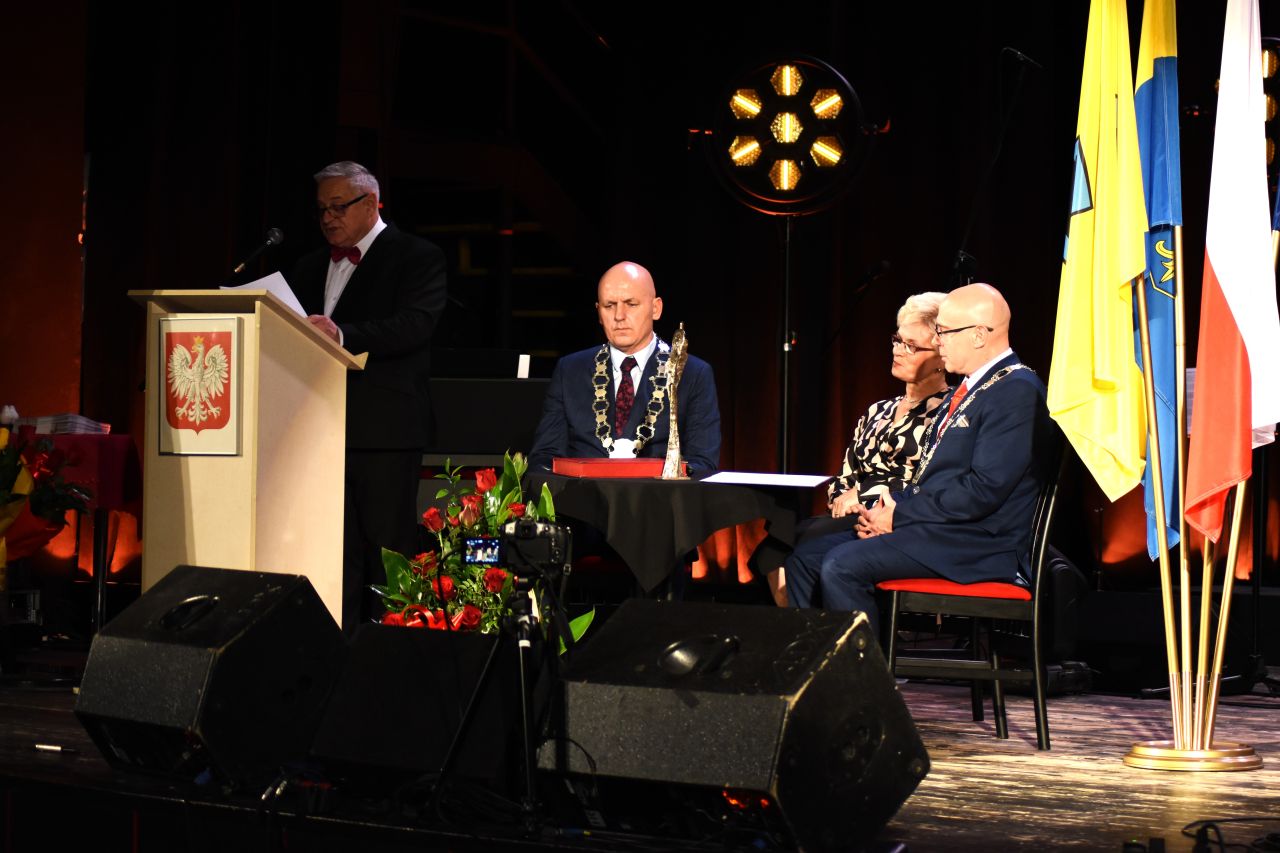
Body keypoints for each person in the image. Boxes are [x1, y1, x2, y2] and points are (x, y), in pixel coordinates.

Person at [784, 283, 1054, 637]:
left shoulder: (1016, 391)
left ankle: (865, 672)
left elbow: (983, 490)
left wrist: (899, 517)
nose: (938, 343)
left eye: (944, 332)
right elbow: (933, 479)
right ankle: (823, 664)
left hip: (979, 543)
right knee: (805, 559)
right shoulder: (975, 388)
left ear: (978, 335)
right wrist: (885, 510)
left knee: (842, 565)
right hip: (938, 528)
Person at [290, 161, 447, 633]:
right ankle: (333, 653)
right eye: (322, 209)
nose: (328, 218)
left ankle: (390, 655)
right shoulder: (308, 266)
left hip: (384, 431)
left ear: (372, 203)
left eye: (338, 206)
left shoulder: (416, 256)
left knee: (387, 555)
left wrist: (342, 335)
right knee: (330, 555)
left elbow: (415, 325)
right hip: (319, 431)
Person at [529, 261, 721, 475]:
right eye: (609, 305)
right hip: (582, 494)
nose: (619, 316)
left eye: (631, 304)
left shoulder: (692, 374)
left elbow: (702, 464)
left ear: (656, 309)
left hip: (657, 494)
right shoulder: (569, 370)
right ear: (598, 312)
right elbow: (544, 458)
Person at [807, 292, 951, 542]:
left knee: (803, 540)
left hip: (896, 523)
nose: (898, 351)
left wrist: (863, 494)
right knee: (781, 542)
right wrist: (842, 500)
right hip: (848, 517)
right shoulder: (877, 410)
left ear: (941, 355)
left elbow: (928, 483)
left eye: (911, 345)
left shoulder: (948, 411)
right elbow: (844, 475)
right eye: (897, 340)